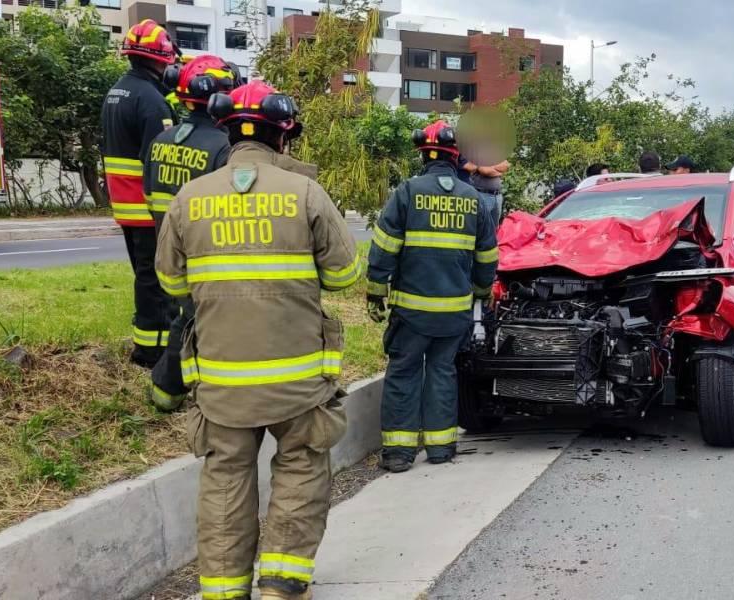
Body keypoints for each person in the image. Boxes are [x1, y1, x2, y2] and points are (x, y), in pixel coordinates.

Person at [156, 80, 361, 600]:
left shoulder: (189, 198)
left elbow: (173, 284)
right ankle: (281, 587)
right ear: (283, 138)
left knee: (225, 477)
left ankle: (224, 592)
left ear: (224, 134)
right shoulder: (307, 193)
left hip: (221, 379)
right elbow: (342, 275)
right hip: (298, 380)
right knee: (300, 468)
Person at [366, 120, 499, 474]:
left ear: (423, 155)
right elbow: (487, 256)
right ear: (456, 158)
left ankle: (398, 453)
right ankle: (441, 449)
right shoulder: (474, 199)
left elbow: (384, 247)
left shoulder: (408, 192)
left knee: (404, 373)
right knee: (442, 372)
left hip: (411, 312)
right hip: (454, 313)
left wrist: (375, 291)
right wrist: (481, 294)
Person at [142, 54, 236, 411]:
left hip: (165, 245)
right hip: (202, 252)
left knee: (180, 312)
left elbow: (150, 195)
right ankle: (167, 388)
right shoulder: (222, 148)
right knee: (195, 319)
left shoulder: (161, 141)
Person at [101, 19, 178, 368]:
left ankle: (148, 345)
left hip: (125, 203)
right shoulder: (152, 102)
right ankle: (151, 352)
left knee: (144, 275)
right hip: (146, 207)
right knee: (155, 281)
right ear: (160, 59)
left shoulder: (117, 91)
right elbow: (159, 159)